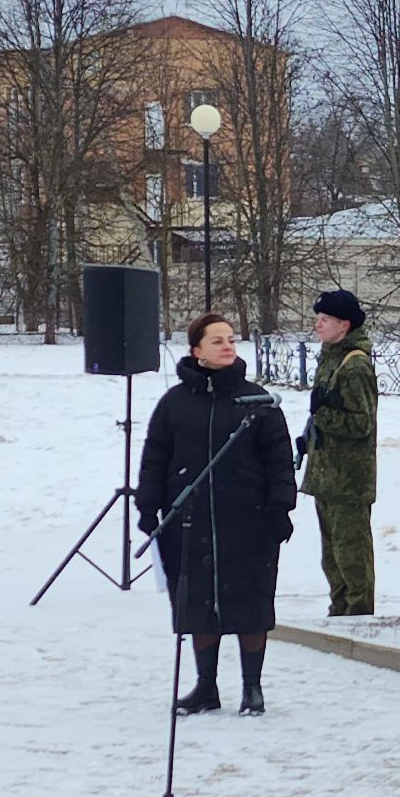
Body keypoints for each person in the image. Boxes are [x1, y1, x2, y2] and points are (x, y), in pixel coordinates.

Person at [137, 313, 297, 717]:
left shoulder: (257, 402)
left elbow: (280, 461)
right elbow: (155, 457)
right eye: (217, 341)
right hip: (190, 522)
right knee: (198, 602)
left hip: (248, 522)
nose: (228, 346)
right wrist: (147, 505)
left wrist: (280, 508)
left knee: (250, 602)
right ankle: (205, 687)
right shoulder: (174, 403)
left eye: (231, 340)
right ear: (197, 351)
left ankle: (252, 688)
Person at [300, 289, 379, 617]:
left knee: (351, 556)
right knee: (332, 556)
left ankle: (357, 616)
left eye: (325, 320)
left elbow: (362, 424)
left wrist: (324, 415)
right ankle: (340, 609)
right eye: (317, 318)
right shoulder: (332, 356)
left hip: (348, 480)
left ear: (344, 325)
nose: (318, 325)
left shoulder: (354, 364)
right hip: (328, 476)